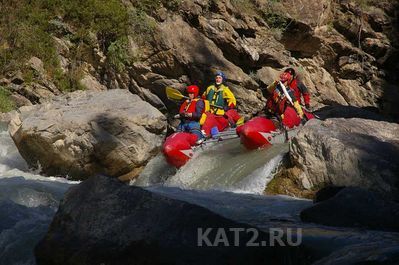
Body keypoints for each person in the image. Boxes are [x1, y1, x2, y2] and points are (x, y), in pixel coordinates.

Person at [201, 71, 243, 136]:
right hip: (209, 111)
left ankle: (236, 125)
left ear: (222, 79)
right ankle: (204, 132)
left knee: (232, 113)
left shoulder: (225, 89)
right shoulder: (209, 88)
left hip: (220, 112)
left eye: (220, 78)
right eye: (217, 78)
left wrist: (228, 107)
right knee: (205, 119)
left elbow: (232, 99)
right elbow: (203, 97)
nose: (218, 79)